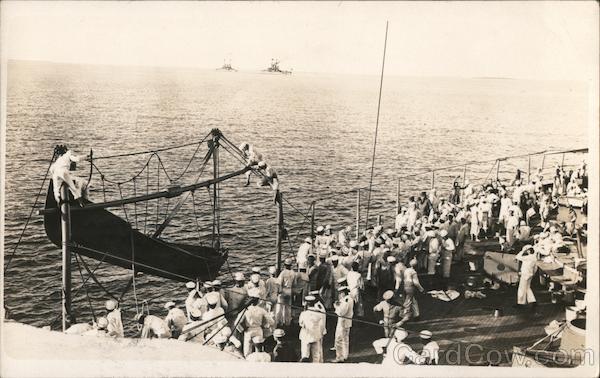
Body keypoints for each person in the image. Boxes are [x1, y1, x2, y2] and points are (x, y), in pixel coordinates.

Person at [298, 295, 326, 363]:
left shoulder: (304, 314)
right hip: (316, 335)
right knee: (316, 355)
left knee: (305, 354)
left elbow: (301, 323)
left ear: (307, 304)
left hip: (306, 336)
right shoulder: (319, 313)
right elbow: (322, 325)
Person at [333, 286, 354, 363]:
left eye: (340, 293)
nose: (340, 295)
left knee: (339, 340)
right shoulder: (349, 299)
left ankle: (340, 357)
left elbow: (341, 313)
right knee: (345, 340)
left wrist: (336, 306)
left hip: (343, 322)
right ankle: (345, 356)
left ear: (343, 292)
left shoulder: (346, 300)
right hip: (347, 322)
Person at [515, 245, 538, 312]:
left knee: (521, 288)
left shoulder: (527, 257)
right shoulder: (534, 257)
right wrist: (533, 274)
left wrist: (522, 251)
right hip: (530, 274)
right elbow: (535, 268)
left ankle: (520, 303)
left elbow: (518, 257)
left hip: (525, 274)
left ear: (528, 251)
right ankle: (533, 301)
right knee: (527, 288)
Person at [277, 258, 295, 327]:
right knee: (288, 307)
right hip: (289, 290)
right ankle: (287, 322)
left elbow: (279, 283)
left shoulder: (283, 273)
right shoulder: (293, 273)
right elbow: (294, 283)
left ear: (285, 265)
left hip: (283, 290)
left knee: (281, 307)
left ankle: (280, 322)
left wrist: (279, 291)